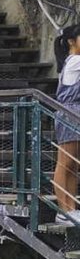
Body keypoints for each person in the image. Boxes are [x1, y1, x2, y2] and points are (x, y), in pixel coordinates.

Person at [53, 25, 80, 224]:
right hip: (70, 113)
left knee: (73, 165)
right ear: (72, 41)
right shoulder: (75, 61)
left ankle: (71, 207)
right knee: (65, 162)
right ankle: (63, 209)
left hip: (75, 112)